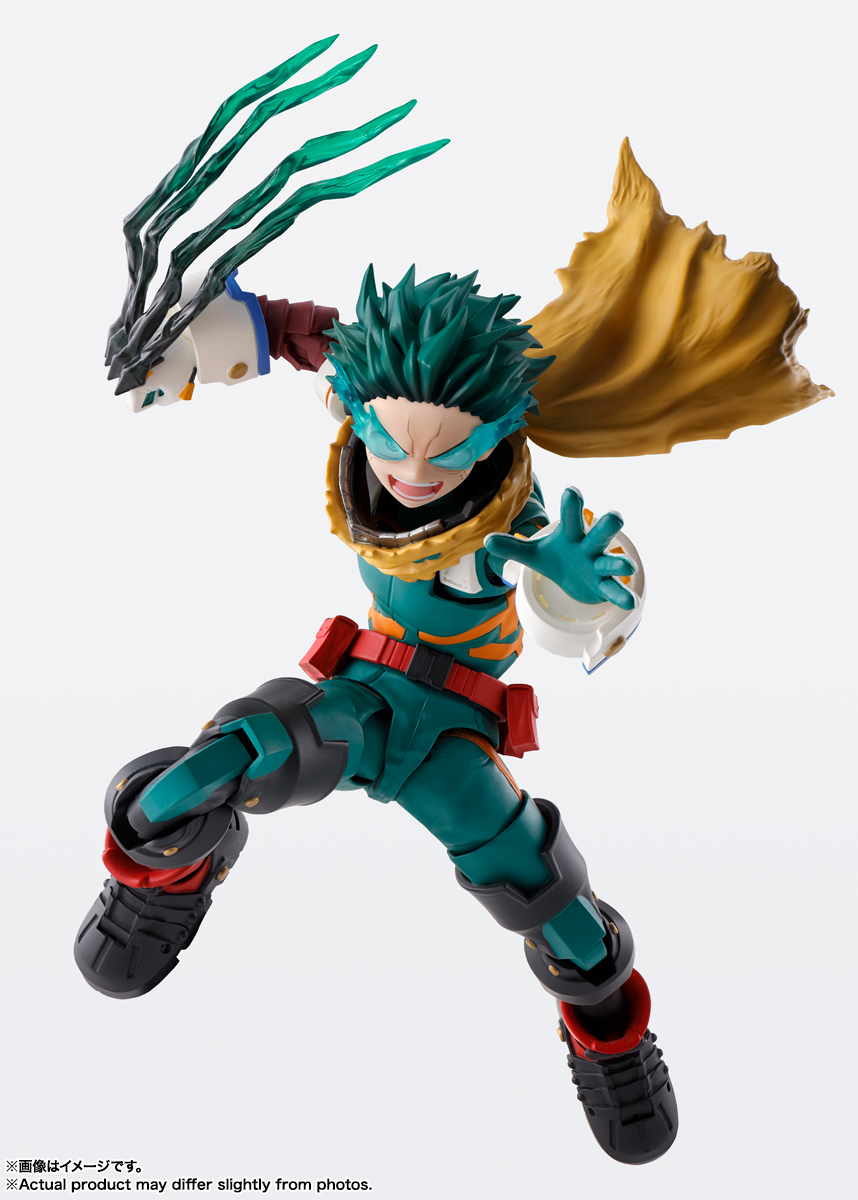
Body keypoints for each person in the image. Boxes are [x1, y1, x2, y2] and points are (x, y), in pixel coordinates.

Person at [74, 47, 831, 1166]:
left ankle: (612, 1038)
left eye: (450, 452)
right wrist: (186, 342)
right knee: (178, 786)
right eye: (394, 444)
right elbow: (291, 336)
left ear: (496, 435)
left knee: (566, 924)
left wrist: (580, 576)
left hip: (454, 743)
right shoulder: (369, 398)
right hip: (355, 701)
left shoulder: (503, 521)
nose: (415, 474)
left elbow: (572, 585)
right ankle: (173, 874)